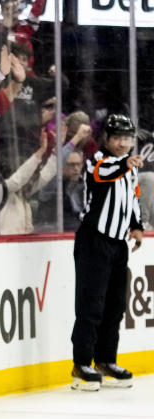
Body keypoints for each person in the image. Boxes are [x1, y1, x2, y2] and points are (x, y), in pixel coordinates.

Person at [70, 114, 142, 391]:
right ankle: (81, 364)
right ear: (107, 138)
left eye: (128, 138)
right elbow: (105, 173)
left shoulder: (130, 166)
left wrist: (136, 226)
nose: (124, 143)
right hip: (93, 240)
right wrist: (126, 162)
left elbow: (132, 198)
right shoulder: (97, 160)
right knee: (91, 304)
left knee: (115, 305)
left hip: (117, 244)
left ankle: (105, 360)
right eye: (118, 138)